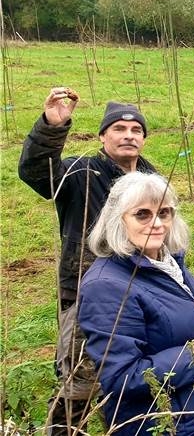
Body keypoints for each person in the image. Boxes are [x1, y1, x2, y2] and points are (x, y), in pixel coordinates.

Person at [18, 87, 157, 434]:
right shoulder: (82, 173)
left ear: (143, 138)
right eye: (119, 130)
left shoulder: (151, 180)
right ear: (103, 136)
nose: (128, 136)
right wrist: (52, 126)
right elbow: (37, 173)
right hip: (88, 296)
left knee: (138, 377)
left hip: (144, 292)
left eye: (136, 130)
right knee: (80, 382)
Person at [78, 172, 194, 436]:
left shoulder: (165, 262)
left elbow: (165, 320)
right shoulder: (106, 286)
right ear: (118, 220)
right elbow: (121, 378)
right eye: (142, 214)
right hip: (159, 424)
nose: (157, 223)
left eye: (164, 212)